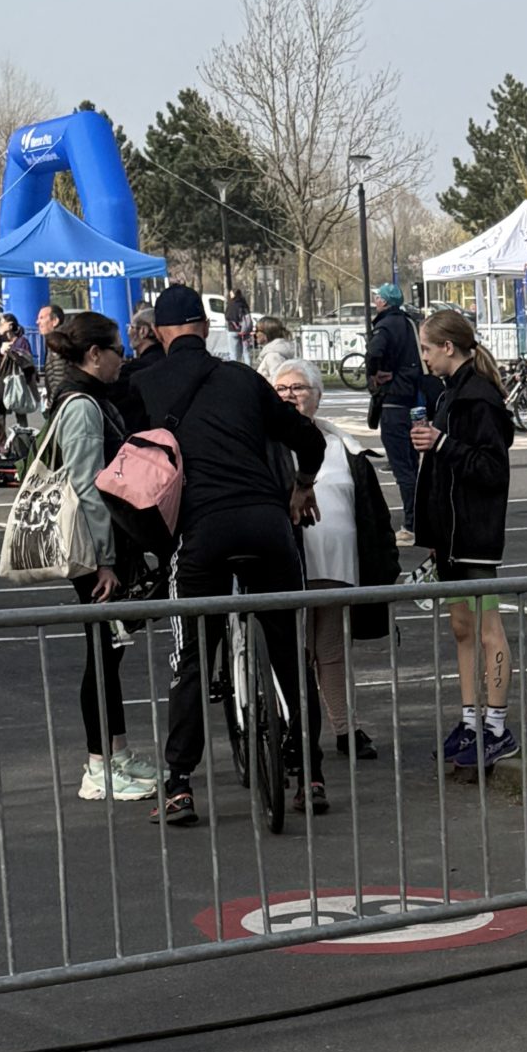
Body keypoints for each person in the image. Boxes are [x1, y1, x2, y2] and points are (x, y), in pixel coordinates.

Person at [131, 283, 329, 826]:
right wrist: (301, 488)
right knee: (289, 649)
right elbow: (310, 441)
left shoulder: (142, 383)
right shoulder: (242, 378)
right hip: (266, 523)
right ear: (204, 326)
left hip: (201, 530)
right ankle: (311, 775)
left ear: (160, 333)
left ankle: (179, 785)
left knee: (192, 655)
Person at [41, 312, 156, 802]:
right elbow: (89, 487)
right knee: (103, 654)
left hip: (103, 547)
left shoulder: (86, 398)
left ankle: (117, 753)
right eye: (116, 351)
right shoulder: (82, 405)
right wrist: (105, 560)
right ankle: (98, 766)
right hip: (95, 551)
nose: (122, 359)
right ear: (94, 354)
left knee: (109, 653)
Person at [411, 307, 518, 773]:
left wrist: (442, 443)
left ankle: (496, 725)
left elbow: (492, 469)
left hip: (474, 533)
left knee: (488, 627)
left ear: (448, 347)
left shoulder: (478, 398)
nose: (424, 358)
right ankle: (471, 721)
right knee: (462, 627)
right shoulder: (449, 394)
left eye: (426, 349)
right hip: (450, 535)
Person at [271, 359, 391, 760]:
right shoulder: (270, 445)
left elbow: (371, 511)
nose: (290, 395)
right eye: (281, 389)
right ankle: (295, 734)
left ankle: (345, 728)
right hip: (291, 568)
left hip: (338, 569)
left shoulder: (343, 445)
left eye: (298, 388)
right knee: (296, 654)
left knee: (333, 652)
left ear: (317, 397)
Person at [366, 282, 428, 531]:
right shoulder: (409, 322)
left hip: (393, 399)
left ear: (383, 301)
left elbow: (374, 352)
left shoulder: (385, 326)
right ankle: (421, 518)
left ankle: (412, 523)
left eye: (377, 297)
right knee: (413, 464)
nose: (375, 301)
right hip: (414, 397)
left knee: (402, 467)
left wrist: (374, 374)